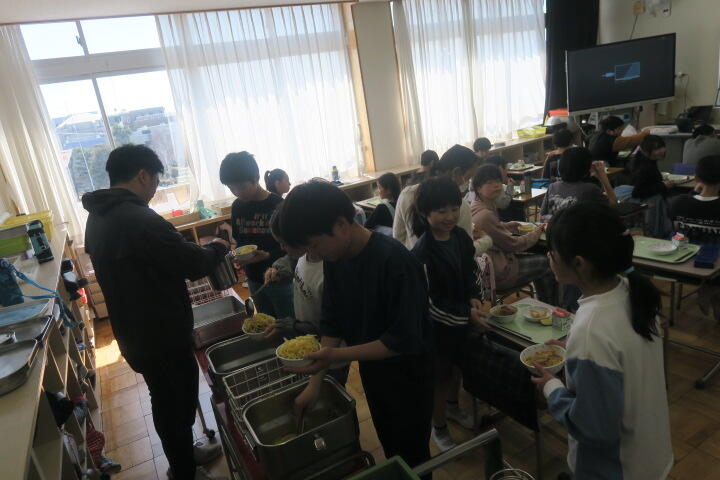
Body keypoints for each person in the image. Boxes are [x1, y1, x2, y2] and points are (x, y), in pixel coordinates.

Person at [83, 145, 229, 480]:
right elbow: (193, 263)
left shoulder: (98, 216)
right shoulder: (138, 219)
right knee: (175, 404)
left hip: (135, 331)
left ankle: (185, 456)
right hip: (160, 333)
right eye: (156, 182)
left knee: (166, 399)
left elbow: (152, 259)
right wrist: (219, 245)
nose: (154, 190)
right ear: (143, 175)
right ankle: (184, 472)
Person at [278, 181, 435, 474]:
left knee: (413, 455)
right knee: (391, 446)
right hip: (374, 372)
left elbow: (402, 340)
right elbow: (332, 320)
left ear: (341, 225)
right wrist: (315, 383)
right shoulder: (336, 257)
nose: (313, 253)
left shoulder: (395, 261)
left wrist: (336, 356)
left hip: (409, 378)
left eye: (313, 245)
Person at [532, 202, 672, 480]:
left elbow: (592, 427)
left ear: (579, 264)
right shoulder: (631, 291)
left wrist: (551, 387)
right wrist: (576, 353)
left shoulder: (591, 329)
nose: (549, 257)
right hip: (650, 452)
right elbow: (623, 360)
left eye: (552, 252)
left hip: (615, 468)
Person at [410, 177, 487, 452]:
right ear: (425, 213)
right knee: (439, 378)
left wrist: (475, 297)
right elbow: (429, 303)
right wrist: (467, 314)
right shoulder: (422, 252)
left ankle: (453, 407)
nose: (450, 216)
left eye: (454, 208)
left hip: (461, 320)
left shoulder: (460, 238)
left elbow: (471, 271)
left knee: (457, 368)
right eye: (441, 211)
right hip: (437, 330)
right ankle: (439, 426)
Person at [263, 209, 350, 384]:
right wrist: (279, 273)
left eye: (284, 243)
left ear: (300, 239)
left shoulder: (330, 270)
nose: (281, 248)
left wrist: (295, 326)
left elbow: (336, 326)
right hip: (310, 345)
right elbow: (291, 262)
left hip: (332, 356)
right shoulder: (305, 255)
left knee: (329, 391)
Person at [219, 152, 293, 318]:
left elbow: (294, 248)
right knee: (265, 324)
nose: (238, 193)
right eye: (231, 188)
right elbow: (240, 241)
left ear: (256, 177)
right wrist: (236, 256)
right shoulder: (237, 207)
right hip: (253, 280)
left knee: (287, 324)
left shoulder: (277, 205)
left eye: (242, 187)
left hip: (280, 279)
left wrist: (268, 255)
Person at [471, 165, 557, 304]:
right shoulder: (486, 214)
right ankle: (550, 306)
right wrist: (537, 232)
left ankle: (544, 304)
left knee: (538, 255)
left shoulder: (476, 205)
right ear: (478, 188)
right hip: (500, 272)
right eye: (489, 182)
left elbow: (491, 229)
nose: (496, 185)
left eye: (498, 181)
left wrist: (506, 225)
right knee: (547, 262)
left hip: (487, 268)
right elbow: (514, 245)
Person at [394, 144, 492, 255]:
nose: (468, 183)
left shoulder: (407, 193)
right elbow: (466, 252)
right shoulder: (458, 206)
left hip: (412, 262)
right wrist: (487, 240)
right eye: (468, 178)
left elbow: (398, 238)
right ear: (456, 172)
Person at [670, 155, 720, 320]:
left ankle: (710, 289)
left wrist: (693, 192)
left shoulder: (679, 202)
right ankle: (712, 289)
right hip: (714, 266)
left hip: (682, 261)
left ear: (697, 178)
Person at [540, 147, 616, 220]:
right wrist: (603, 177)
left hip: (554, 228)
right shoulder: (590, 189)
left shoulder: (553, 187)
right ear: (587, 167)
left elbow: (542, 215)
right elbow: (614, 206)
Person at [630, 135, 673, 200]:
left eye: (662, 146)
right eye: (656, 149)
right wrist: (663, 185)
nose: (662, 150)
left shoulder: (647, 160)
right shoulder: (645, 167)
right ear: (646, 151)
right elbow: (637, 192)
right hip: (649, 202)